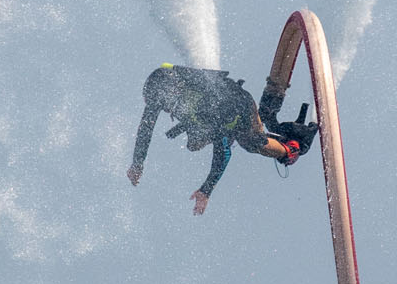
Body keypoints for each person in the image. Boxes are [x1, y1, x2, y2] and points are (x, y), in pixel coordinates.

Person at [128, 63, 317, 214]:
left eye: (164, 105)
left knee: (251, 144)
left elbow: (223, 152)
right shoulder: (161, 89)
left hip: (240, 110)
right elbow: (145, 129)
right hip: (219, 114)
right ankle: (268, 112)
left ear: (174, 91)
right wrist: (137, 163)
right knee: (193, 143)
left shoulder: (206, 104)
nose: (166, 110)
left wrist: (206, 190)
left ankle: (290, 150)